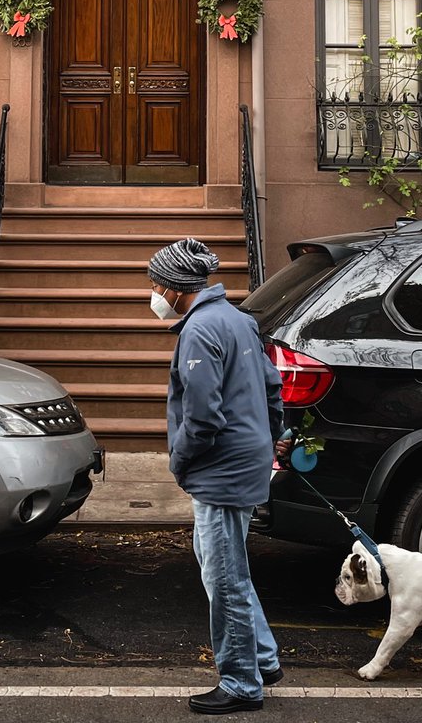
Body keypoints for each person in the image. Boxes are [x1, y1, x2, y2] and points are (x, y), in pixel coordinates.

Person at [149, 237, 285, 715]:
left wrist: (178, 460)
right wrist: (274, 437)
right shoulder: (240, 320)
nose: (152, 294)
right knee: (222, 566)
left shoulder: (200, 330)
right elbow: (273, 387)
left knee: (223, 577)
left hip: (219, 469)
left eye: (155, 284)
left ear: (173, 287)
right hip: (243, 461)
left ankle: (242, 683)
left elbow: (202, 416)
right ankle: (263, 659)